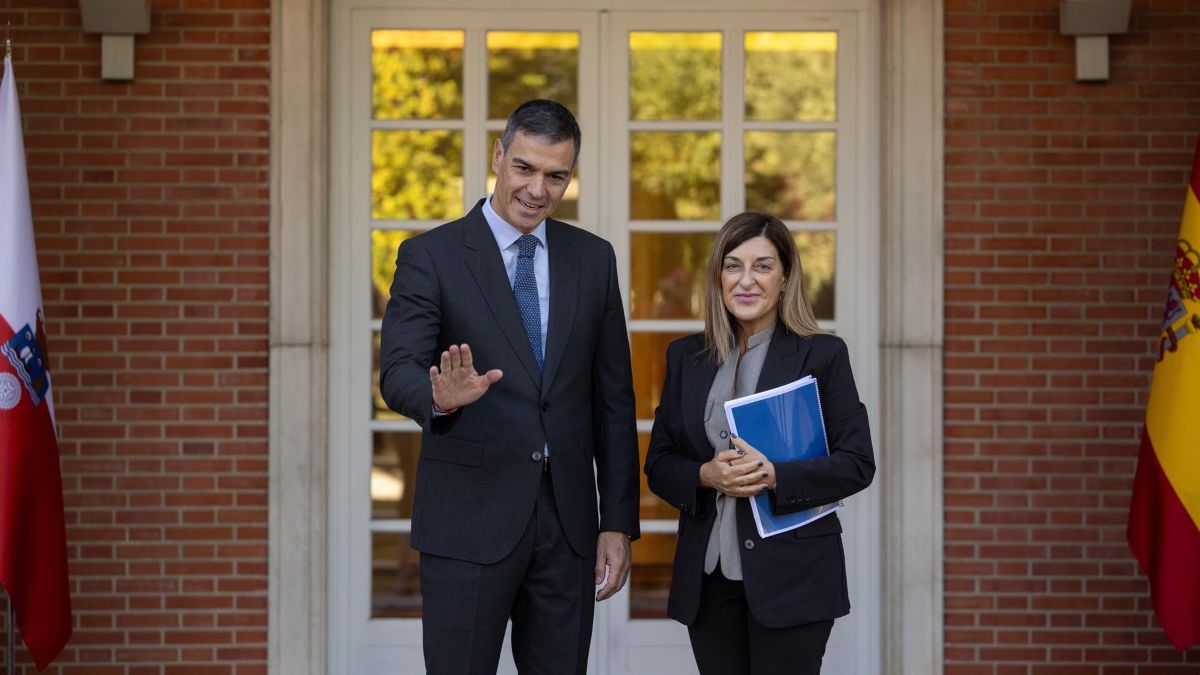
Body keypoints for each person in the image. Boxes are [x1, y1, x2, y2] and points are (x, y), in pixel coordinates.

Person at [378, 99, 641, 674]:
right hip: (467, 521)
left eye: (556, 176)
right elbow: (397, 370)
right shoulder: (432, 256)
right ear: (498, 155)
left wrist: (617, 522)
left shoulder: (593, 260)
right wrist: (439, 398)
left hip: (568, 527)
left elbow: (613, 401)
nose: (537, 190)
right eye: (524, 168)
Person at [643, 212, 875, 674]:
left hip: (794, 578)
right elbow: (660, 462)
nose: (746, 281)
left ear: (786, 278)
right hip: (708, 581)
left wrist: (776, 476)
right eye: (733, 266)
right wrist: (705, 474)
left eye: (763, 266)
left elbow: (856, 463)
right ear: (718, 277)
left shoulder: (822, 355)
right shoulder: (686, 357)